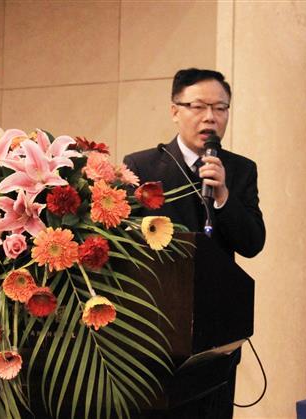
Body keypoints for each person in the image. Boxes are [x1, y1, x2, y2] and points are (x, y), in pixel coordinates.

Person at [123, 68, 266, 418]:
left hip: (216, 332)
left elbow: (252, 242)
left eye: (220, 108)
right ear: (175, 111)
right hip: (154, 328)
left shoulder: (240, 170)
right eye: (199, 106)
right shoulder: (141, 166)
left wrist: (224, 196)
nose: (210, 117)